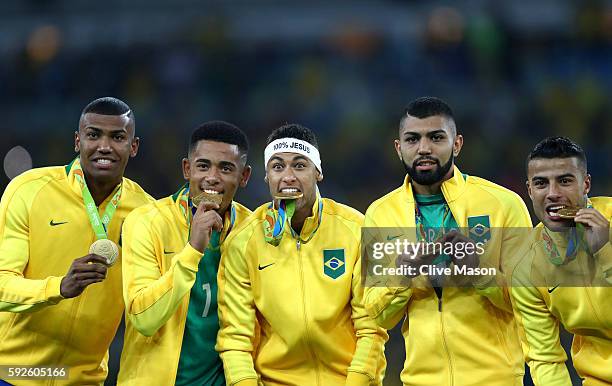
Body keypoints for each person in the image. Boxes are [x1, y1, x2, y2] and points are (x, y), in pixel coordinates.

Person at [363, 97, 532, 386]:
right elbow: (377, 315)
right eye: (413, 139)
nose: (424, 148)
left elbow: (532, 303)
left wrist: (478, 271)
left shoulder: (503, 204)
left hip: (495, 379)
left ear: (457, 144)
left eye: (436, 137)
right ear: (398, 148)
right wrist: (402, 277)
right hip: (420, 380)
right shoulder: (380, 213)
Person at [216, 124, 387, 386]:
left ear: (317, 172)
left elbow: (372, 327)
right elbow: (236, 338)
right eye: (277, 166)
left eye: (299, 165)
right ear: (266, 177)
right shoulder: (243, 241)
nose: (288, 176)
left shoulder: (357, 229)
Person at [0, 97, 152, 385]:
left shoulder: (147, 214)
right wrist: (58, 287)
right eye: (94, 135)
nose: (104, 146)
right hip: (11, 374)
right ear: (77, 141)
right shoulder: (29, 190)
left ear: (133, 147)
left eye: (117, 137)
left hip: (84, 380)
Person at [117, 121, 252, 386]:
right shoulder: (146, 222)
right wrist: (193, 250)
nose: (212, 177)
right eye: (203, 166)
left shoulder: (253, 231)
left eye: (226, 168)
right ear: (187, 169)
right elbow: (144, 319)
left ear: (244, 177)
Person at [509, 137, 611, 385]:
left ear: (586, 184)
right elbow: (545, 359)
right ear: (530, 190)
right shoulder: (525, 266)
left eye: (565, 181)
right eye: (541, 184)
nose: (553, 194)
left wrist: (605, 251)